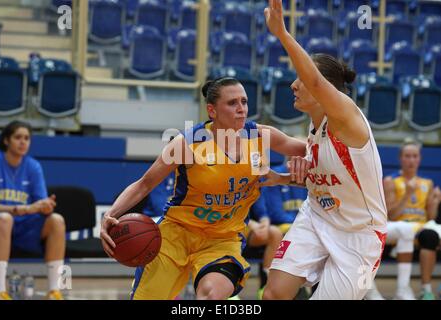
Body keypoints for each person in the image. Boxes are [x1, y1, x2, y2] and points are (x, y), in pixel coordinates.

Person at [100, 77, 307, 300]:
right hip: (176, 234)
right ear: (212, 110)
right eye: (232, 103)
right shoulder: (187, 143)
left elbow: (314, 152)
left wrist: (288, 175)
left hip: (222, 239)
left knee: (211, 296)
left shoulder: (259, 136)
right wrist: (110, 215)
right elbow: (144, 184)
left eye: (244, 102)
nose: (241, 109)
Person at [260, 0, 388, 300]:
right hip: (316, 218)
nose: (293, 85)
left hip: (360, 235)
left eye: (299, 79)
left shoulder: (346, 118)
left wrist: (282, 34)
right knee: (273, 294)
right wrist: (283, 178)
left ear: (325, 90)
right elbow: (330, 177)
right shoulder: (314, 127)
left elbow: (315, 81)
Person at [0, 120, 66, 300]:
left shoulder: (33, 166)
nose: (23, 142)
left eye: (26, 138)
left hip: (27, 228)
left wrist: (46, 206)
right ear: (7, 140)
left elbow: (40, 204)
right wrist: (21, 208)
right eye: (18, 137)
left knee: (57, 220)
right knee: (4, 218)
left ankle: (54, 290)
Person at [366, 140, 441, 300]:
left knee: (431, 236)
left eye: (415, 156)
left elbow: (431, 217)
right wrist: (407, 194)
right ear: (400, 158)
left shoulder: (427, 183)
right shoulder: (391, 181)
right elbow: (390, 215)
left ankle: (426, 289)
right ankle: (372, 289)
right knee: (418, 234)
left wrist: (435, 203)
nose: (411, 160)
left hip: (421, 227)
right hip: (397, 225)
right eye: (407, 156)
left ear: (420, 159)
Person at [241, 192, 283, 300]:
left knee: (275, 233)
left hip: (250, 227)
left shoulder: (256, 180)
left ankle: (266, 285)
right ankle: (229, 290)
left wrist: (264, 222)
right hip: (231, 224)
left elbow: (261, 208)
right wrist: (250, 223)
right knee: (231, 235)